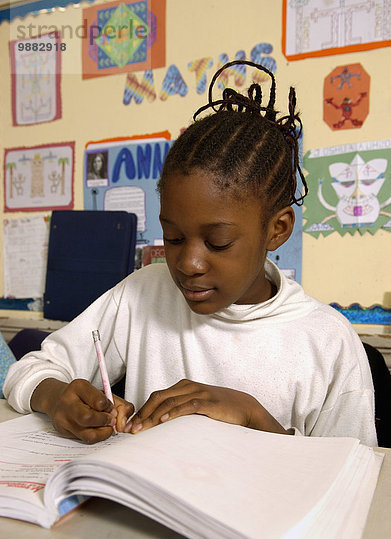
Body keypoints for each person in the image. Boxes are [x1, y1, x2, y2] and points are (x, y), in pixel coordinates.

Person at [4, 61, 377, 447]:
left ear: (277, 229)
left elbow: (357, 478)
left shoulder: (327, 342)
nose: (187, 264)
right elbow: (28, 370)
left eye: (217, 243)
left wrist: (254, 417)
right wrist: (54, 396)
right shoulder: (143, 294)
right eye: (174, 238)